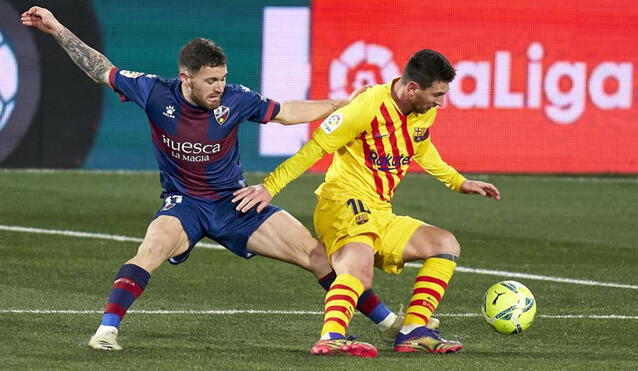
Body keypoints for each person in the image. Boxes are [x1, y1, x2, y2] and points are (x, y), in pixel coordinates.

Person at [20, 6, 409, 351]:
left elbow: (287, 112)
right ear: (186, 78)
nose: (219, 87)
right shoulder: (154, 92)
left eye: (222, 78)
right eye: (210, 80)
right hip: (185, 203)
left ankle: (390, 323)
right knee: (150, 251)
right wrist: (56, 28)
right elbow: (99, 68)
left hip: (233, 202)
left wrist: (338, 104)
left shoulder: (236, 98)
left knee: (315, 254)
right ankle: (106, 331)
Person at [233, 49, 501, 357]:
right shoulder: (365, 108)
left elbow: (421, 147)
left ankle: (413, 330)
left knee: (445, 243)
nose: (440, 102)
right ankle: (332, 335)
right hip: (342, 202)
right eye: (437, 94)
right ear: (412, 88)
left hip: (379, 210)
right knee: (359, 266)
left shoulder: (424, 111)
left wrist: (459, 182)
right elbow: (314, 149)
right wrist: (269, 187)